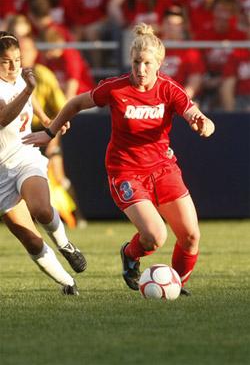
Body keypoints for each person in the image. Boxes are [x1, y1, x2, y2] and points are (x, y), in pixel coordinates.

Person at [23, 23, 215, 296]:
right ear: (131, 61)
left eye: (147, 63)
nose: (141, 69)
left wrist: (203, 123)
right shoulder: (116, 88)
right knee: (155, 237)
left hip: (163, 169)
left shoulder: (169, 89)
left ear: (159, 64)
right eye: (136, 62)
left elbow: (193, 113)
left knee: (191, 237)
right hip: (126, 171)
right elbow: (76, 103)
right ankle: (129, 253)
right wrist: (50, 131)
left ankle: (175, 285)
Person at [0, 31, 87, 295]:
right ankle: (68, 283)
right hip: (1, 172)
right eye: (6, 61)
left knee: (41, 209)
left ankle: (65, 245)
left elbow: (31, 100)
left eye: (17, 59)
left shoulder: (21, 79)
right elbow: (3, 118)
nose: (14, 66)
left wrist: (48, 119)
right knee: (30, 239)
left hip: (25, 155)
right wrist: (28, 89)